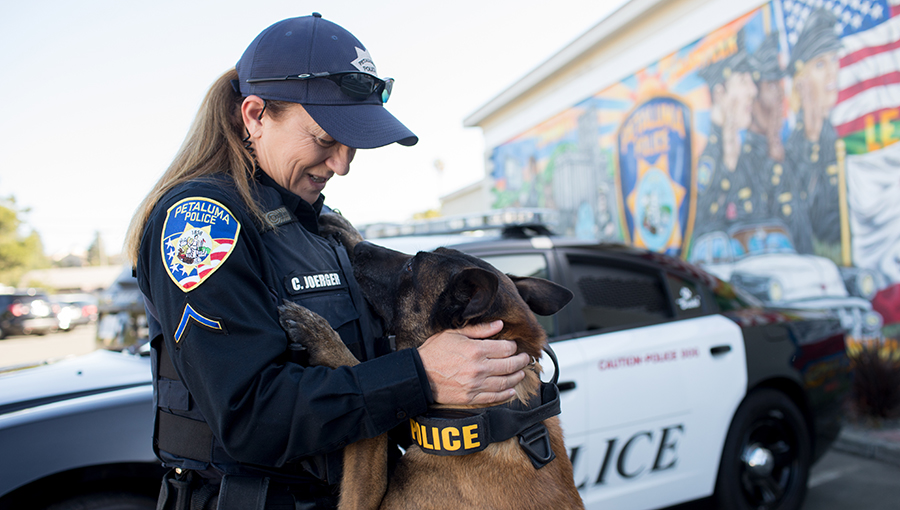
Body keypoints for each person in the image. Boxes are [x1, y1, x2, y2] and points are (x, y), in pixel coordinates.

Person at [124, 13, 530, 510]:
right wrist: (420, 376)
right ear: (254, 116)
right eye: (323, 139)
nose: (342, 164)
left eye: (352, 143)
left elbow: (363, 372)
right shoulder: (201, 223)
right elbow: (251, 417)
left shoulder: (320, 224)